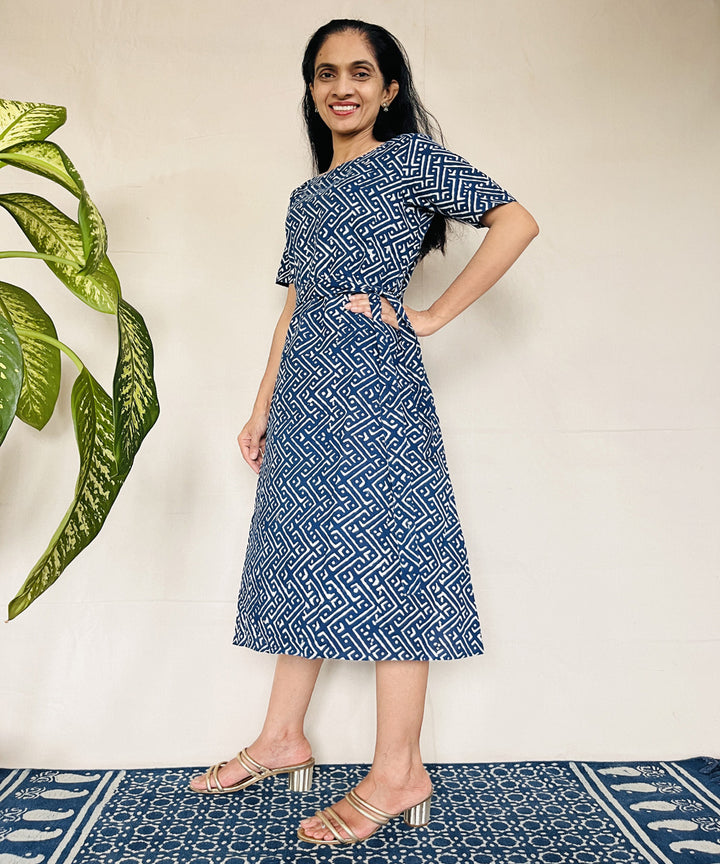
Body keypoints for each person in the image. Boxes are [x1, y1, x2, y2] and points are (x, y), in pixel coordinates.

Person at [190, 18, 538, 847]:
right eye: (324, 73)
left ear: (388, 88)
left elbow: (517, 222)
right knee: (299, 554)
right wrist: (262, 401)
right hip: (306, 391)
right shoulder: (305, 198)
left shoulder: (411, 159)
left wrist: (430, 316)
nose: (340, 85)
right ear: (311, 91)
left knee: (387, 561)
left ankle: (397, 769)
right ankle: (282, 738)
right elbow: (294, 306)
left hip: (376, 385)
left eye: (360, 71)